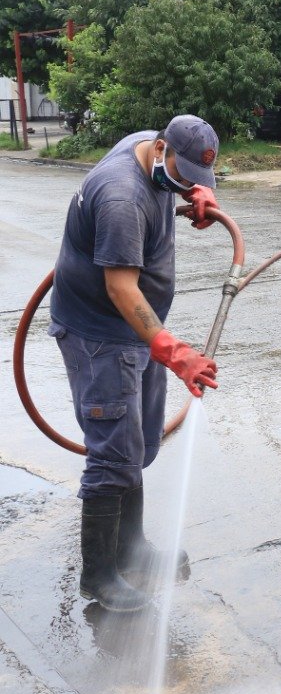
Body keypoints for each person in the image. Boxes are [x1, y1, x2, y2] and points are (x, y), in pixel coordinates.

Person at [49, 114, 222, 612]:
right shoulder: (122, 197)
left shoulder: (145, 147)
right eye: (183, 176)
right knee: (112, 451)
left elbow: (175, 180)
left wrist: (194, 197)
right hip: (101, 335)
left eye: (197, 179)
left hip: (135, 333)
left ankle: (133, 548)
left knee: (137, 441)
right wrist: (174, 353)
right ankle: (100, 574)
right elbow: (121, 288)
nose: (187, 185)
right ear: (162, 148)